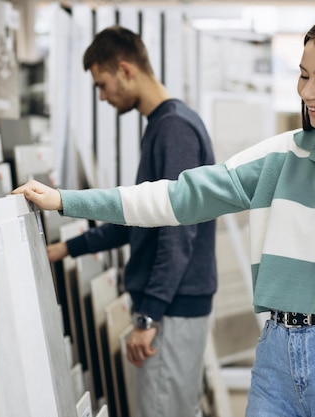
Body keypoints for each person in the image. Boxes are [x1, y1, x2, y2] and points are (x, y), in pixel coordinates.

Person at [15, 10, 315, 417]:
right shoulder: (283, 154)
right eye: (303, 75)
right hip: (276, 355)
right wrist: (67, 200)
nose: (306, 92)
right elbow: (178, 198)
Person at [45, 26, 217, 417]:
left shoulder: (173, 129)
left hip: (171, 309)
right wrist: (69, 248)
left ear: (125, 70)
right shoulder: (165, 125)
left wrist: (149, 315)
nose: (103, 96)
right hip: (173, 306)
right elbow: (139, 217)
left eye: (102, 85)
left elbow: (178, 230)